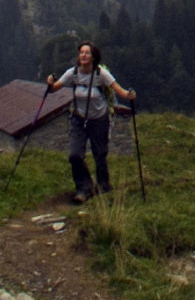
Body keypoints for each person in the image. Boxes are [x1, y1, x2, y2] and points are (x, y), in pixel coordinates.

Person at [46, 42, 135, 203]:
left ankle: (103, 187)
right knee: (74, 155)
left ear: (94, 57)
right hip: (79, 119)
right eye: (81, 52)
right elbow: (53, 88)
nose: (84, 55)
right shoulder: (72, 73)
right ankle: (84, 188)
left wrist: (129, 96)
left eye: (87, 53)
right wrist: (50, 82)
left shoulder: (102, 74)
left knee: (100, 155)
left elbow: (119, 90)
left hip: (99, 120)